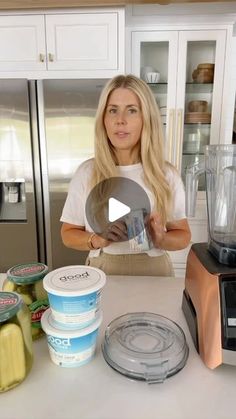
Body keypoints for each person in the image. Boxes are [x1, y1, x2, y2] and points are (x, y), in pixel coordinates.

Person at [60, 74, 191, 276]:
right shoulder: (87, 173)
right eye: (113, 110)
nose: (120, 120)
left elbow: (183, 235)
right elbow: (67, 234)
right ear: (103, 119)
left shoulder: (165, 174)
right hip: (103, 269)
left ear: (146, 118)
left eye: (131, 110)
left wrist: (161, 238)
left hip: (155, 270)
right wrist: (97, 239)